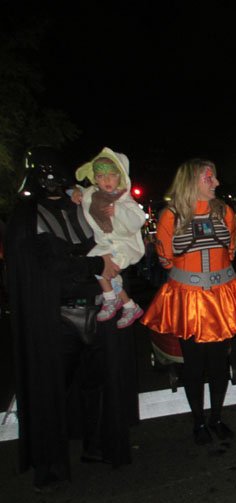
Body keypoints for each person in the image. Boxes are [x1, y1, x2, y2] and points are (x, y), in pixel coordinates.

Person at [5, 147, 138, 491]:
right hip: (55, 317)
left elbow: (112, 236)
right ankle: (48, 464)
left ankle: (97, 446)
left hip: (97, 309)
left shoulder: (79, 204)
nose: (50, 181)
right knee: (51, 391)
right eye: (44, 175)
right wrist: (93, 264)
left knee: (97, 385)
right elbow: (47, 263)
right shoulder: (26, 216)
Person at [141, 159, 236, 444]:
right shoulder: (170, 216)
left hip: (220, 297)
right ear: (193, 180)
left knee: (219, 364)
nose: (216, 183)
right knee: (193, 366)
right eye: (210, 178)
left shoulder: (226, 212)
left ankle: (216, 417)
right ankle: (198, 422)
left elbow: (230, 252)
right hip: (188, 299)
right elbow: (166, 260)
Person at [75, 148, 146, 328]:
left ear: (119, 176)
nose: (106, 180)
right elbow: (81, 192)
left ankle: (110, 298)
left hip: (124, 245)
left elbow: (138, 220)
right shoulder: (93, 194)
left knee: (105, 270)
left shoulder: (124, 199)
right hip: (105, 244)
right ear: (94, 179)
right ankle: (129, 305)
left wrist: (119, 211)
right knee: (96, 264)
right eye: (100, 176)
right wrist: (75, 191)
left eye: (111, 176)